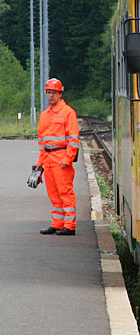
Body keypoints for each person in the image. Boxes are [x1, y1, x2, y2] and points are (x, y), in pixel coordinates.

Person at [34, 78, 80, 235]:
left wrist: (67, 159)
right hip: (48, 160)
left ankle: (69, 225)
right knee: (53, 194)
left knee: (65, 192)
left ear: (60, 93)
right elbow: (42, 143)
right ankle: (58, 223)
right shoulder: (44, 115)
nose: (51, 96)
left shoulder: (68, 113)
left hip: (61, 159)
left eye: (54, 93)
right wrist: (38, 166)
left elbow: (73, 140)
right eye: (48, 93)